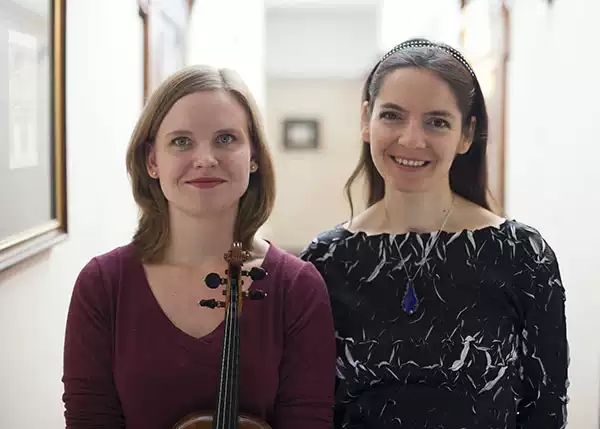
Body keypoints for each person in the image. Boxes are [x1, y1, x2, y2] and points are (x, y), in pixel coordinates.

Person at [300, 38, 569, 429]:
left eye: (437, 121)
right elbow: (309, 410)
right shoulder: (325, 261)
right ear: (366, 119)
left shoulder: (522, 255)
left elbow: (546, 411)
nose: (411, 139)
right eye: (392, 116)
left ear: (466, 134)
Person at [61, 65, 336, 429]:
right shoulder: (103, 285)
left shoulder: (297, 288)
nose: (205, 159)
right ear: (152, 161)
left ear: (253, 156)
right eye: (181, 141)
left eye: (226, 139)